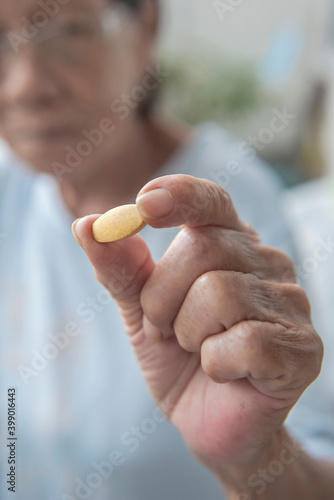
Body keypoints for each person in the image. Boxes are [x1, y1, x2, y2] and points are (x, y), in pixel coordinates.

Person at [0, 0, 328, 498]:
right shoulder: (10, 186)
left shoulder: (228, 211)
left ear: (145, 28)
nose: (25, 85)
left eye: (67, 30)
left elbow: (315, 456)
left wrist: (254, 459)